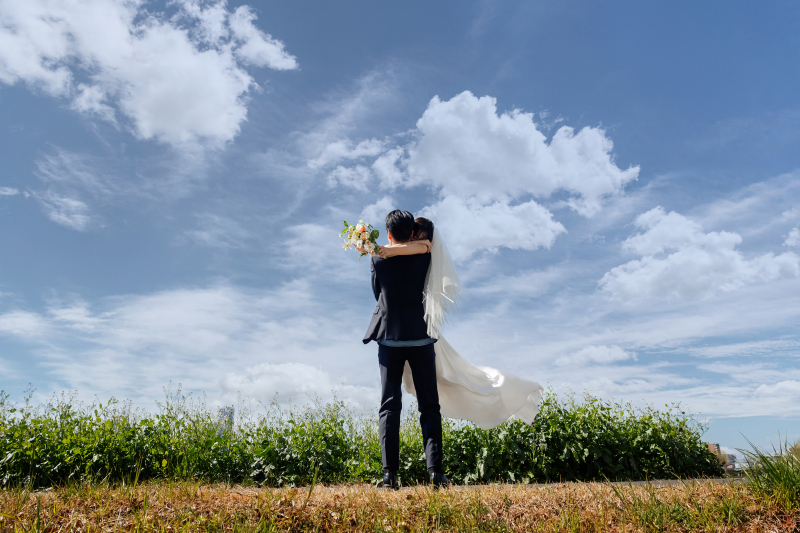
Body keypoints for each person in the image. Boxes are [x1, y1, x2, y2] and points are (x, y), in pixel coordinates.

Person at [377, 217, 544, 432]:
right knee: (448, 380)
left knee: (452, 380)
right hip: (415, 331)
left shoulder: (422, 250)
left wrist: (382, 249)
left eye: (412, 234)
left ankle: (506, 393)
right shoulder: (419, 249)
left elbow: (416, 247)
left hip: (415, 333)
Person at [362, 210, 450, 490]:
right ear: (412, 232)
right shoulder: (425, 254)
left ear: (389, 234)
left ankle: (390, 476)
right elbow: (426, 248)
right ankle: (435, 473)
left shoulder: (377, 257)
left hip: (389, 337)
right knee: (429, 406)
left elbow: (378, 293)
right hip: (421, 337)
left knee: (389, 405)